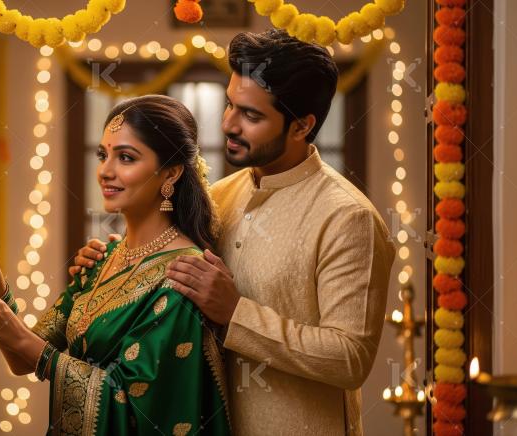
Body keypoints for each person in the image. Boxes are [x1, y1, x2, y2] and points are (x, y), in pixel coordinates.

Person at [71, 30, 396, 435]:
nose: (228, 124)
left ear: (301, 126)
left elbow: (350, 358)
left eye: (252, 115)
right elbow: (169, 264)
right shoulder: (221, 196)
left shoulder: (347, 218)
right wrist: (116, 261)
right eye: (230, 105)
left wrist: (235, 314)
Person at [0, 95, 231, 435]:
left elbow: (143, 409)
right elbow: (23, 359)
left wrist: (14, 333)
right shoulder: (103, 259)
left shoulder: (184, 276)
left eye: (126, 157)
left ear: (170, 173)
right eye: (103, 155)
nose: (105, 171)